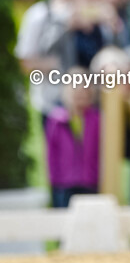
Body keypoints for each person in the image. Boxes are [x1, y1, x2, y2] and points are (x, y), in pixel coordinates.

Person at [44, 67, 100, 208]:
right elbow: (51, 153)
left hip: (90, 180)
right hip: (65, 182)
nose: (80, 95)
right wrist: (53, 180)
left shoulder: (97, 120)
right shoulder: (56, 120)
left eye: (84, 91)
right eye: (76, 91)